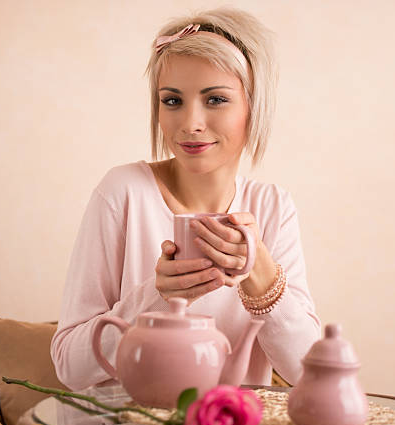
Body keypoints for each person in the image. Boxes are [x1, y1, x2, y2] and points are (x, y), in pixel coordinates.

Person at [51, 7, 321, 391]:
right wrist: (156, 297)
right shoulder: (123, 192)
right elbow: (70, 368)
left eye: (215, 100)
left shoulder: (273, 207)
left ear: (253, 105)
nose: (191, 123)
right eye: (173, 101)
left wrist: (260, 271)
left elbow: (308, 375)